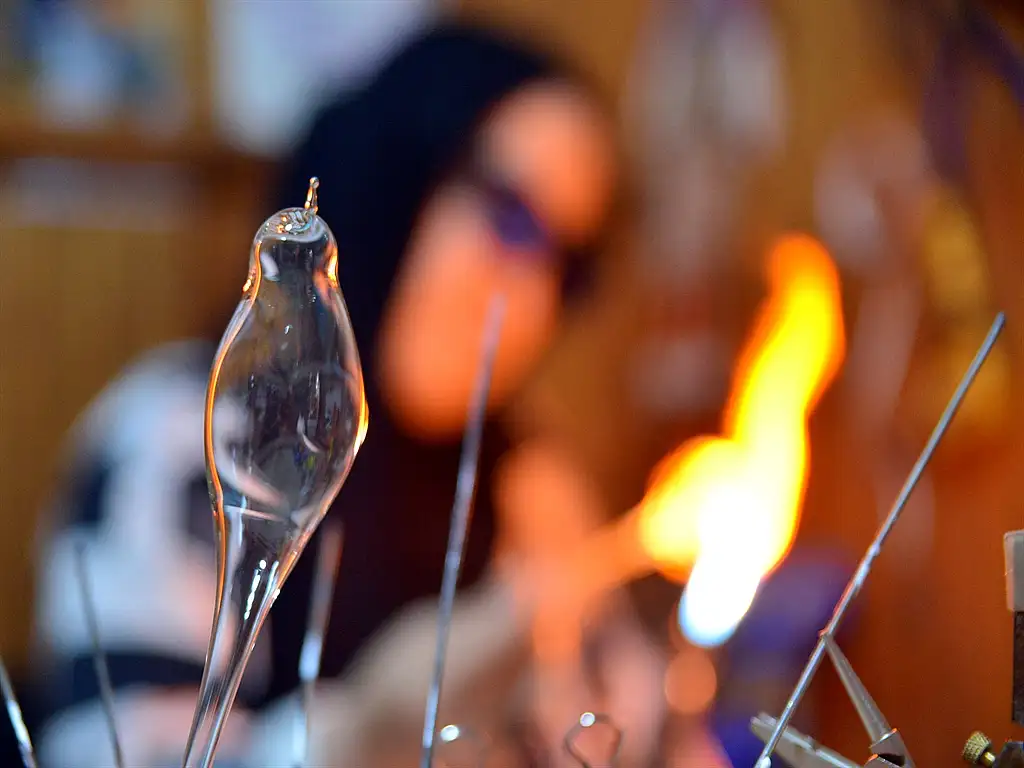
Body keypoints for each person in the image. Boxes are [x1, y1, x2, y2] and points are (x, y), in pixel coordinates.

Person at [28, 20, 665, 768]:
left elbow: (630, 736)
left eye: (568, 264)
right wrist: (361, 732)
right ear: (401, 171)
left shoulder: (528, 488)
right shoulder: (187, 438)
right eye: (509, 217)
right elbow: (114, 751)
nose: (528, 299)